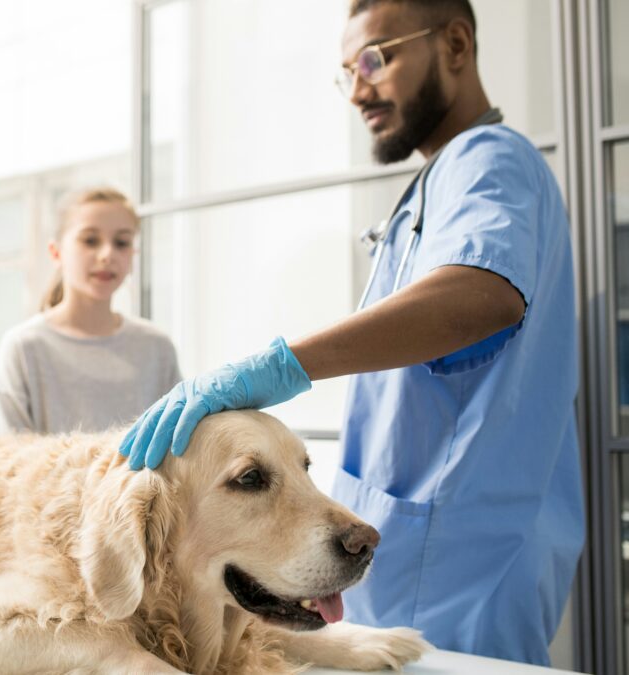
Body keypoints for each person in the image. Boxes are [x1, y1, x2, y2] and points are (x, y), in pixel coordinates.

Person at [118, 0, 582, 666]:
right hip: (413, 549)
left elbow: (481, 295)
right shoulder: (442, 180)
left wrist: (281, 365)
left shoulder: (491, 160)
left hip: (460, 558)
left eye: (376, 58)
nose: (358, 88)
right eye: (347, 72)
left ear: (454, 45)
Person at [0, 187, 182, 435]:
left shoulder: (157, 348)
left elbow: (178, 447)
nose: (107, 254)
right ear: (56, 252)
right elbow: (5, 457)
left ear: (133, 255)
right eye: (90, 240)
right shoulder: (24, 347)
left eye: (121, 243)